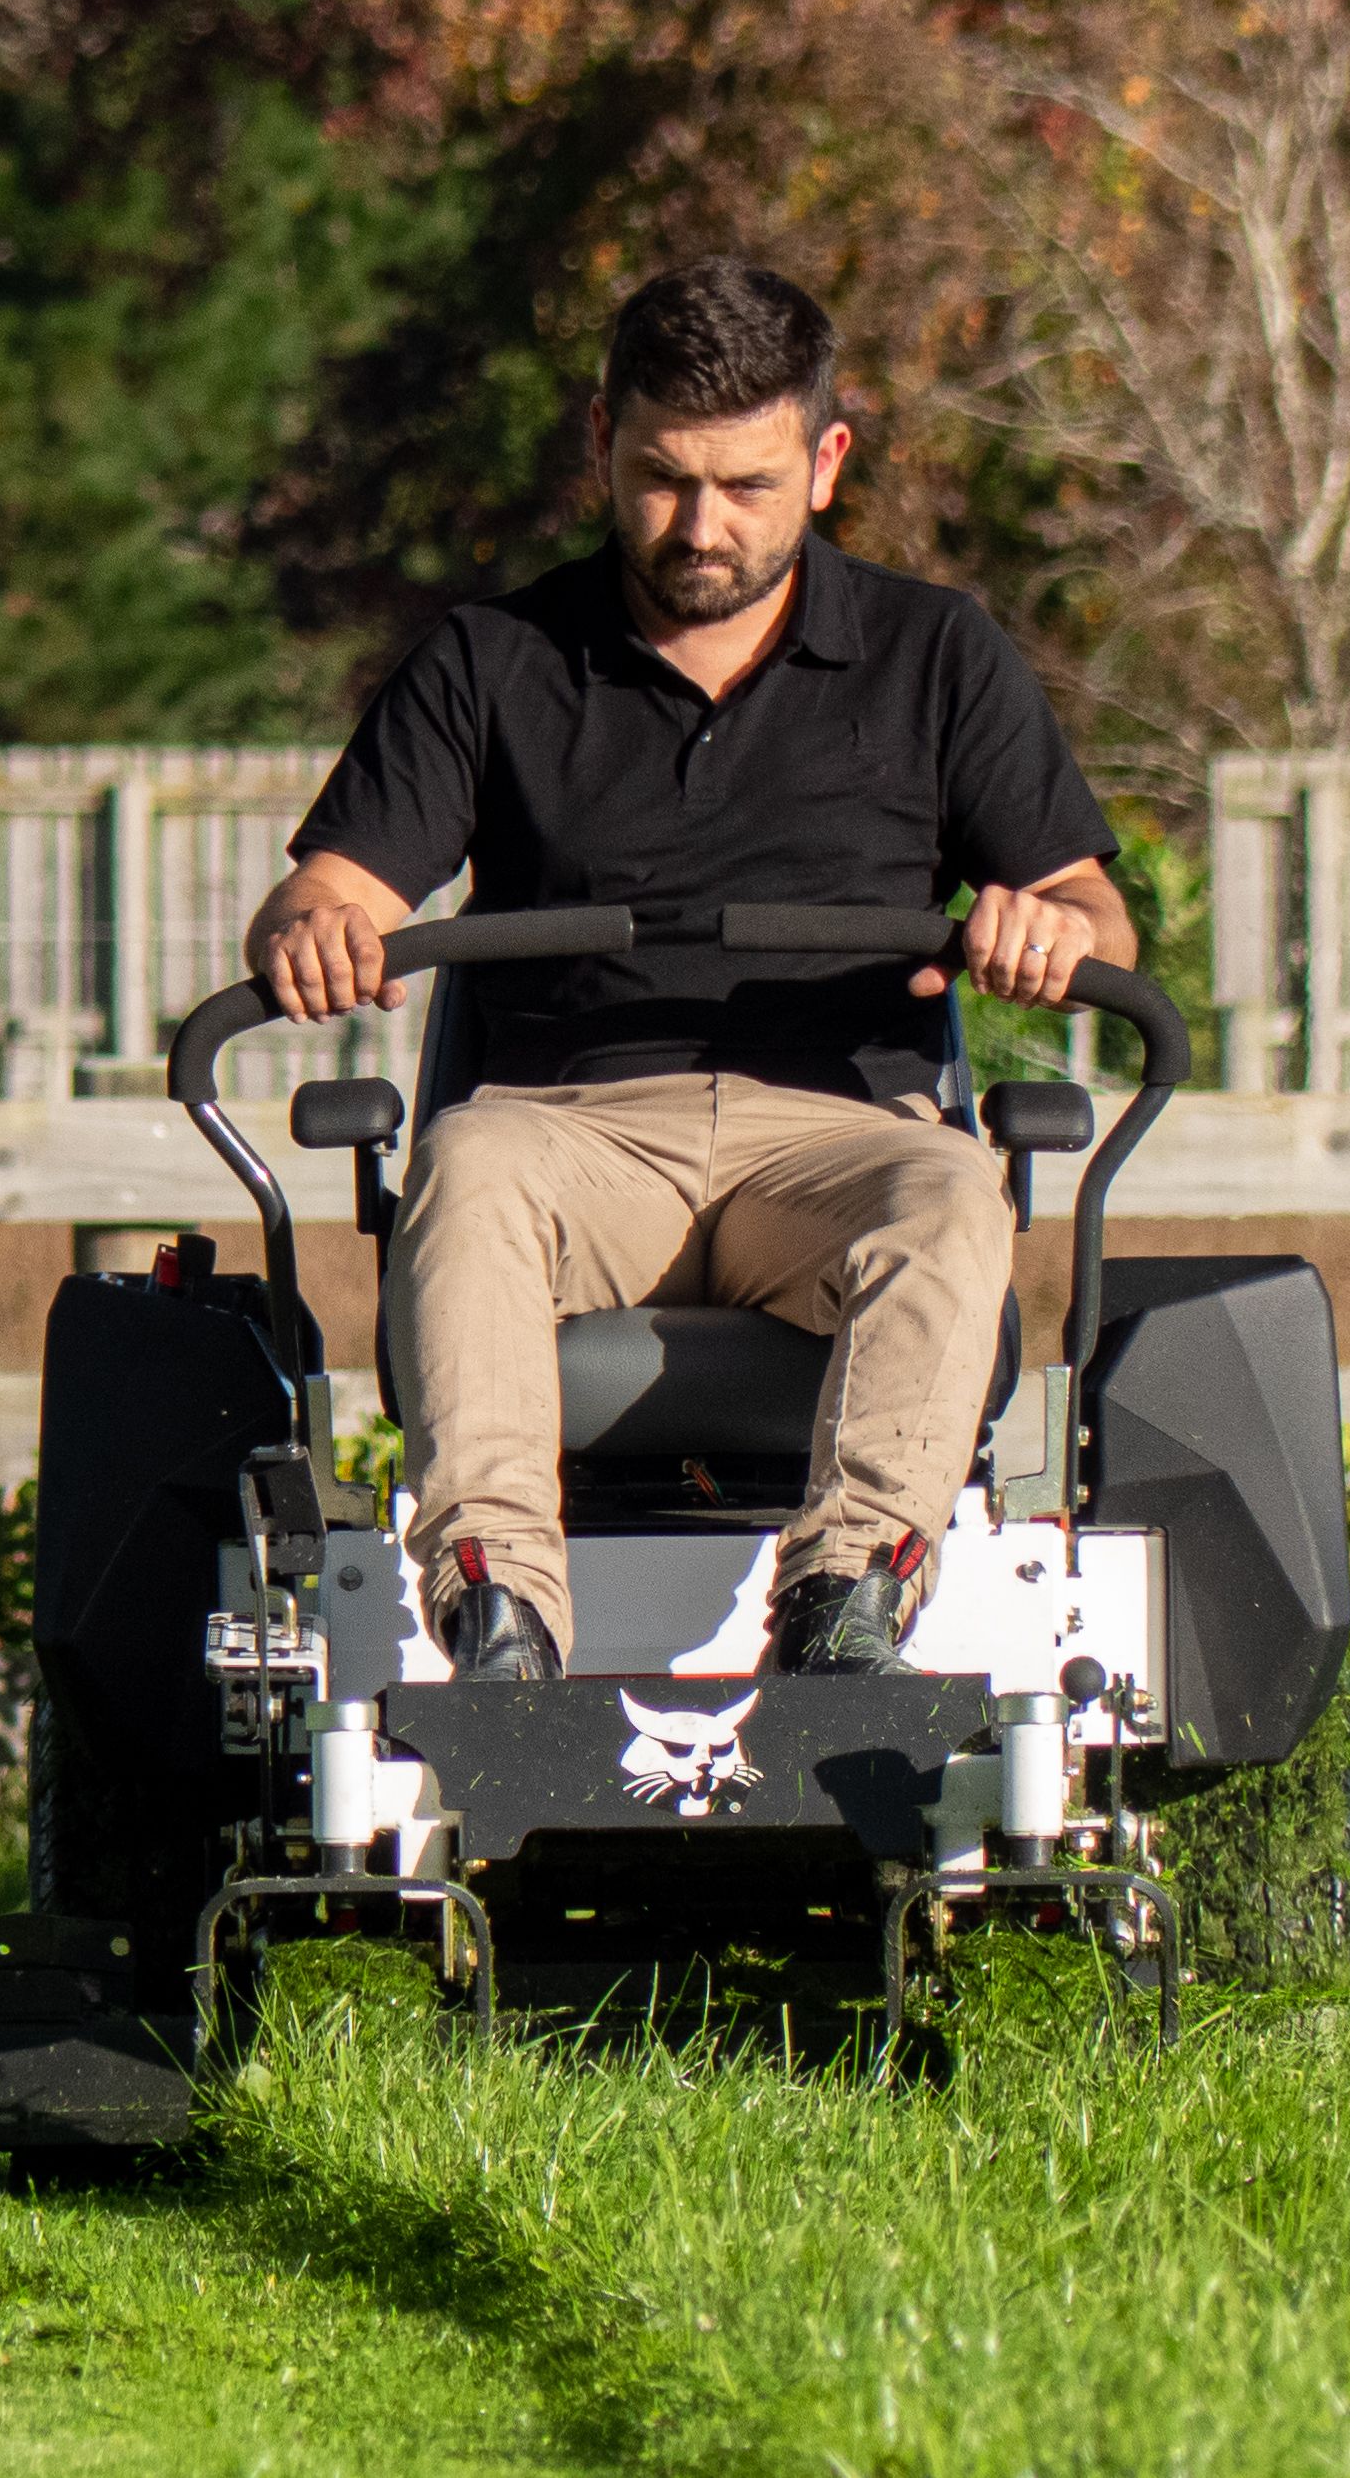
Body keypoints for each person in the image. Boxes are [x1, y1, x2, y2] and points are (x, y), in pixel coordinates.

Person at [246, 256, 1132, 1682]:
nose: (702, 526)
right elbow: (332, 886)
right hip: (574, 1138)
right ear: (603, 441)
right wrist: (317, 926)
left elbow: (1091, 905)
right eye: (663, 478)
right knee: (463, 1161)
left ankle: (850, 1599)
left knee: (958, 1183)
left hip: (841, 1138)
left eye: (748, 485)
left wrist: (1056, 926)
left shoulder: (937, 654)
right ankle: (499, 1617)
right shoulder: (494, 661)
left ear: (828, 460)